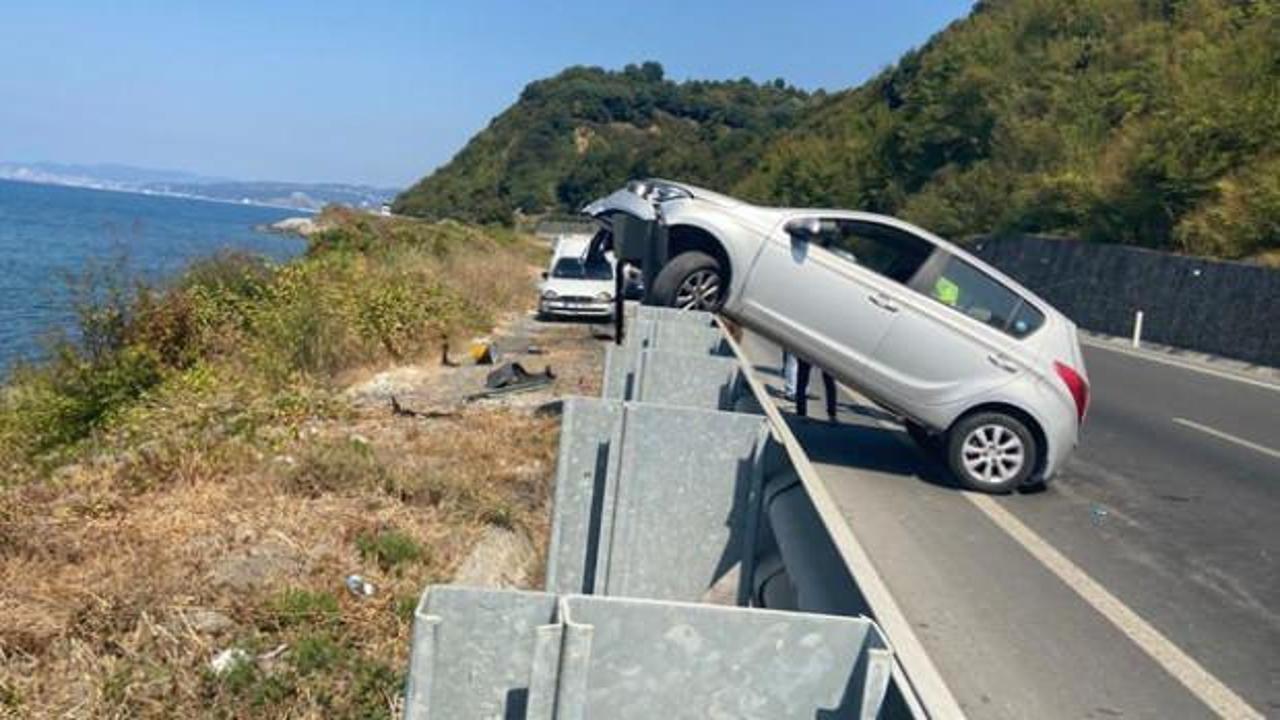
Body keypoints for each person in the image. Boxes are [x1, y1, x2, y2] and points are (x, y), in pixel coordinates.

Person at [795, 357, 838, 421]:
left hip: (806, 351)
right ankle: (832, 413)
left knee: (802, 380)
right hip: (824, 352)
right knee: (829, 382)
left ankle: (801, 412)